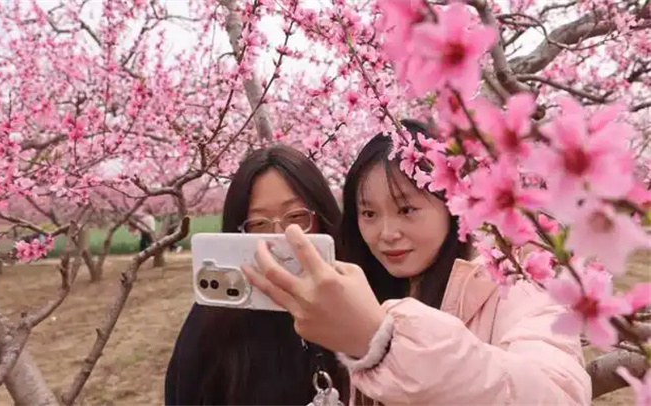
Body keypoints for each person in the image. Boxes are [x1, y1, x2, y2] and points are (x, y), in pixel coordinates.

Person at [245, 120, 592, 405]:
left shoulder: (514, 283)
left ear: (451, 205)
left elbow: (558, 394)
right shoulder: (367, 287)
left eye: (407, 209)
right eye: (369, 213)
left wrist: (385, 344)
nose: (387, 233)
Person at [165, 145, 348, 405]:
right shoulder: (210, 322)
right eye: (259, 223)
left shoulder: (354, 302)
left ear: (323, 218)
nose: (280, 237)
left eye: (297, 216)